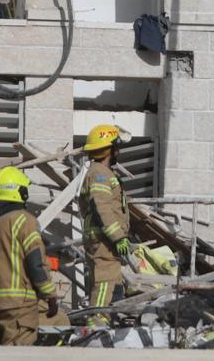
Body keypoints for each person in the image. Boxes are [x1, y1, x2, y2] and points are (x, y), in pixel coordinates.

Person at [0, 166, 57, 345]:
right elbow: (36, 263)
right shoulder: (25, 221)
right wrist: (50, 295)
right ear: (18, 192)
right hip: (19, 308)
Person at [79, 124, 132, 326]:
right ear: (108, 149)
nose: (119, 151)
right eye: (116, 147)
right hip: (104, 239)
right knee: (105, 280)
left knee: (112, 281)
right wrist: (118, 236)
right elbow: (102, 207)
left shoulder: (100, 171)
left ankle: (107, 319)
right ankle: (97, 322)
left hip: (104, 238)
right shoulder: (100, 173)